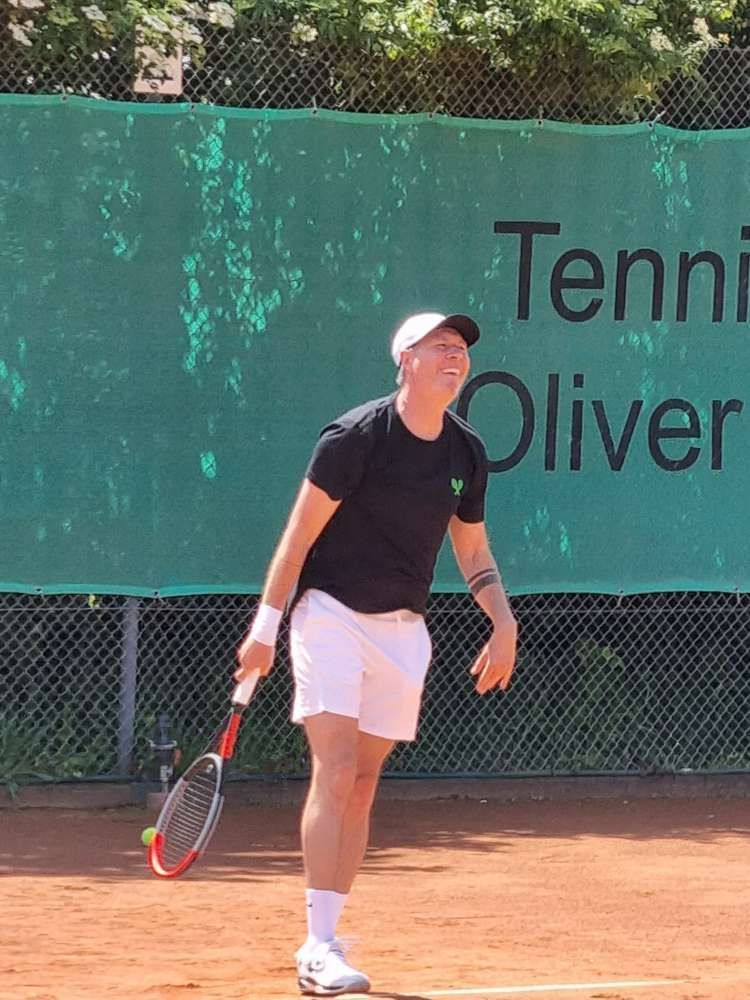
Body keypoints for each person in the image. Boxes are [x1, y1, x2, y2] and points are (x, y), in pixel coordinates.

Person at [234, 311, 518, 996]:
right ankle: (318, 947)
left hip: (403, 631)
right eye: (440, 346)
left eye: (461, 349)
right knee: (334, 770)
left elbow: (472, 548)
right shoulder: (354, 438)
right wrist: (265, 629)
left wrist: (504, 621)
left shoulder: (466, 452)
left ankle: (329, 931)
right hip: (329, 616)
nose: (455, 357)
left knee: (362, 783)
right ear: (405, 360)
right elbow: (298, 539)